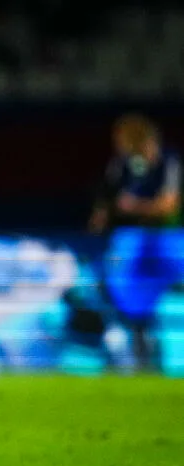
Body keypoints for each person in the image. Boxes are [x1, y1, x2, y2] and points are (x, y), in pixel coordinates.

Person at [87, 114, 182, 370]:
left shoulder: (169, 162)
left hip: (168, 236)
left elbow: (169, 207)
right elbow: (107, 200)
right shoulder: (121, 165)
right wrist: (103, 214)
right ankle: (134, 337)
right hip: (133, 236)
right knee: (119, 278)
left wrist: (135, 206)